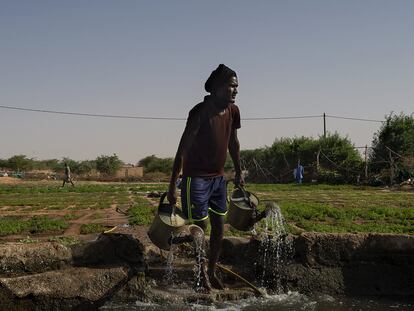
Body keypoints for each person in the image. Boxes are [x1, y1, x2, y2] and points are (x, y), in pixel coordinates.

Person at [167, 64, 244, 292]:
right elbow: (182, 149)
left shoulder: (233, 111)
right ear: (218, 88)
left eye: (237, 87)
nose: (235, 91)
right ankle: (201, 276)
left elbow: (233, 143)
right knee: (200, 228)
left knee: (219, 226)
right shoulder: (199, 112)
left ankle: (211, 270)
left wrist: (238, 171)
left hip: (218, 180)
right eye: (232, 86)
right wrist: (173, 185)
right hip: (196, 179)